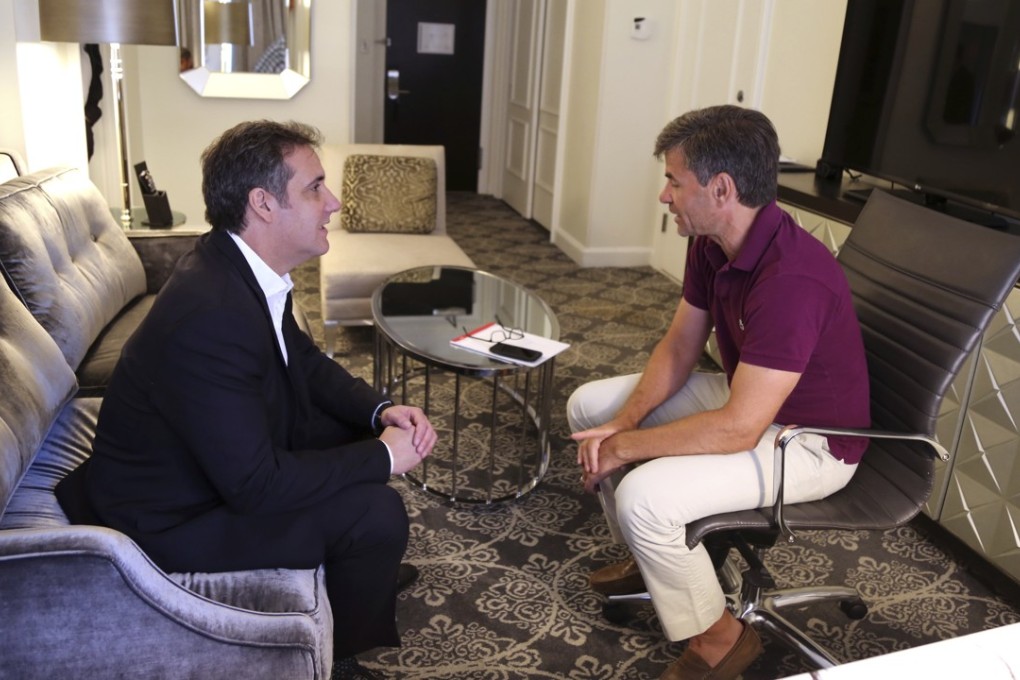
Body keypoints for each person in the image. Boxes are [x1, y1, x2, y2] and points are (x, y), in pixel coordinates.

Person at [58, 120, 435, 680]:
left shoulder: (239, 263)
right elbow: (256, 486)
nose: (331, 203)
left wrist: (377, 412)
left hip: (207, 469)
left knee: (352, 434)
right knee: (376, 512)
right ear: (263, 203)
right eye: (314, 188)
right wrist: (384, 457)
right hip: (166, 518)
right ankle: (341, 659)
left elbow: (301, 358)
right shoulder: (209, 314)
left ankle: (356, 571)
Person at [567, 105, 870, 680]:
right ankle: (655, 558)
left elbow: (739, 428)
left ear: (721, 188)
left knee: (644, 497)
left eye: (673, 182)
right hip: (754, 403)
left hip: (812, 443)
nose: (664, 196)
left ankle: (721, 641)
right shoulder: (710, 240)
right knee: (592, 408)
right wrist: (623, 425)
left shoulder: (792, 279)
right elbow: (681, 346)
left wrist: (628, 448)